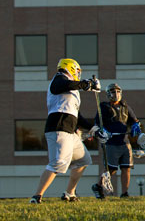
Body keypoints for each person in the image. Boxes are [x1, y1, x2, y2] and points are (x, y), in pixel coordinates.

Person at [30, 58, 104, 204]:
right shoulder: (59, 78)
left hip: (70, 130)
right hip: (59, 127)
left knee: (83, 160)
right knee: (58, 163)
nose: (78, 74)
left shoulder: (72, 87)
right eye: (77, 71)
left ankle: (69, 193)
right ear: (70, 68)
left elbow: (77, 116)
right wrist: (85, 84)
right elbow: (61, 85)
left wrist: (94, 129)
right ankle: (37, 196)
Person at [91, 83, 142, 199]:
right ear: (108, 93)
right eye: (113, 92)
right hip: (111, 142)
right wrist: (103, 131)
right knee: (111, 169)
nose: (116, 94)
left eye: (118, 91)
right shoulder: (103, 107)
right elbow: (97, 124)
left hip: (124, 141)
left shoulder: (125, 106)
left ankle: (125, 193)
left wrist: (136, 125)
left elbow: (135, 120)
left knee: (126, 167)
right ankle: (98, 186)